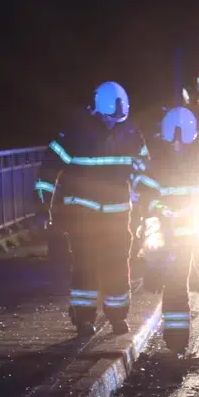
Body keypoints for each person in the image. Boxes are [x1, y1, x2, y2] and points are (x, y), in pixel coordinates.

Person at [34, 81, 149, 336]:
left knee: (118, 264)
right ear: (98, 109)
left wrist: (148, 203)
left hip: (118, 213)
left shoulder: (130, 132)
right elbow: (48, 170)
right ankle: (84, 319)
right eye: (109, 117)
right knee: (86, 264)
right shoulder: (75, 133)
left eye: (117, 118)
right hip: (83, 213)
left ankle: (117, 316)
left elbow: (144, 170)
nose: (112, 123)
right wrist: (44, 207)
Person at [135, 106, 199, 358]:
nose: (178, 144)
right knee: (180, 286)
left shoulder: (160, 160)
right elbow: (146, 199)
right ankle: (180, 344)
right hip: (192, 235)